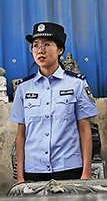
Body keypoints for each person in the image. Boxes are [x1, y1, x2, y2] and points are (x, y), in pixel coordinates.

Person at [10, 22, 100, 182]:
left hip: (68, 169)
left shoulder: (77, 84)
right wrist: (21, 177)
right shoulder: (24, 88)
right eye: (35, 45)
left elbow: (85, 130)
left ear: (60, 50)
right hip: (34, 170)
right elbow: (21, 135)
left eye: (47, 44)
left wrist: (86, 172)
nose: (40, 50)